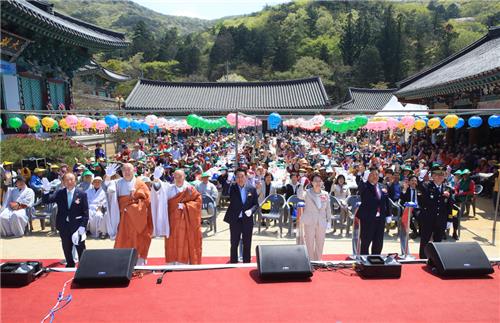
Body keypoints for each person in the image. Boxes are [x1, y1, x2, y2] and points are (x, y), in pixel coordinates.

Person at [151, 167, 203, 264]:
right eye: (176, 176)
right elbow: (158, 190)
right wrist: (156, 180)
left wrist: (186, 206)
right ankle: (172, 262)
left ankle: (184, 262)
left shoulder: (190, 189)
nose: (178, 179)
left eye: (180, 176)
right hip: (172, 222)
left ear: (184, 177)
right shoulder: (169, 188)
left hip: (186, 222)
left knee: (184, 242)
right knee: (172, 242)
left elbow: (198, 202)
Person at [104, 163, 153, 266]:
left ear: (133, 171)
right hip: (123, 218)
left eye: (129, 170)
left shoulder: (140, 183)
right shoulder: (117, 182)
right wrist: (108, 177)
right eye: (124, 170)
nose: (126, 172)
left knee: (139, 238)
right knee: (123, 238)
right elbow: (108, 187)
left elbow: (148, 200)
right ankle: (122, 263)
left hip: (137, 218)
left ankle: (139, 262)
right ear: (121, 172)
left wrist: (134, 202)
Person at [41, 173, 88, 267]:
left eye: (71, 179)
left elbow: (85, 212)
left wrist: (83, 226)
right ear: (63, 182)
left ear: (75, 181)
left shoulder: (82, 194)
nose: (69, 182)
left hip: (77, 225)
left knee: (80, 246)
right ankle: (70, 264)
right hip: (63, 224)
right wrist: (46, 191)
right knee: (66, 246)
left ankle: (83, 265)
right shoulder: (60, 193)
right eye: (67, 180)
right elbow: (47, 200)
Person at [223, 168, 259, 263]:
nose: (240, 179)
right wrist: (228, 181)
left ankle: (246, 262)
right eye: (238, 177)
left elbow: (256, 204)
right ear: (235, 178)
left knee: (247, 242)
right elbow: (225, 192)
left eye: (242, 176)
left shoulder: (252, 188)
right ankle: (233, 262)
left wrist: (251, 211)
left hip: (247, 219)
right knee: (234, 242)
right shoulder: (232, 187)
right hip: (235, 219)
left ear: (246, 177)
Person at [418, 165, 454, 258]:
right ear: (432, 176)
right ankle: (423, 259)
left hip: (441, 219)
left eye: (442, 174)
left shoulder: (448, 188)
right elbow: (423, 202)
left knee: (438, 241)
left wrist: (450, 219)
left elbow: (450, 205)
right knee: (425, 240)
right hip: (428, 218)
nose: (440, 177)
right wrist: (441, 195)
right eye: (437, 174)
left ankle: (436, 259)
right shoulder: (425, 186)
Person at [297, 173, 331, 261]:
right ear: (312, 182)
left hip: (321, 221)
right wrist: (301, 184)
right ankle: (310, 261)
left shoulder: (325, 194)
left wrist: (329, 221)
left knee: (320, 242)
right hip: (310, 221)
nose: (318, 183)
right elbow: (299, 195)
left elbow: (328, 209)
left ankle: (318, 260)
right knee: (309, 242)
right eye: (316, 181)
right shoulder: (307, 192)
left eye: (319, 181)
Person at [356, 166, 389, 255]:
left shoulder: (382, 186)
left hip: (380, 219)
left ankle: (375, 261)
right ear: (368, 176)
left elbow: (386, 201)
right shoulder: (365, 186)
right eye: (372, 174)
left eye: (376, 174)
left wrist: (388, 214)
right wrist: (362, 177)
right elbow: (360, 187)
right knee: (366, 242)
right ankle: (364, 262)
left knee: (378, 243)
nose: (375, 176)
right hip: (368, 218)